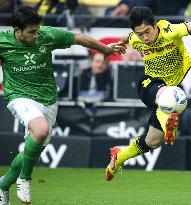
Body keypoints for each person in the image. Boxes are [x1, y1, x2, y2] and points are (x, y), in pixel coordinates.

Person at [0, 5, 123, 204]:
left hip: (48, 100)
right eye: (31, 32)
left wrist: (106, 49)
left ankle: (3, 185)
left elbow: (79, 38)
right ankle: (25, 179)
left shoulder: (47, 35)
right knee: (39, 131)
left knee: (31, 152)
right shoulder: (3, 42)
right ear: (17, 31)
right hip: (19, 96)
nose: (35, 35)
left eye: (37, 30)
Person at [105, 6, 191, 181]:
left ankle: (119, 156)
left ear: (155, 24)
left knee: (153, 141)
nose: (145, 38)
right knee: (169, 95)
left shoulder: (169, 31)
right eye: (140, 34)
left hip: (172, 91)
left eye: (147, 31)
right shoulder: (136, 39)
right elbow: (127, 38)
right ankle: (169, 118)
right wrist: (113, 47)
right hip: (149, 85)